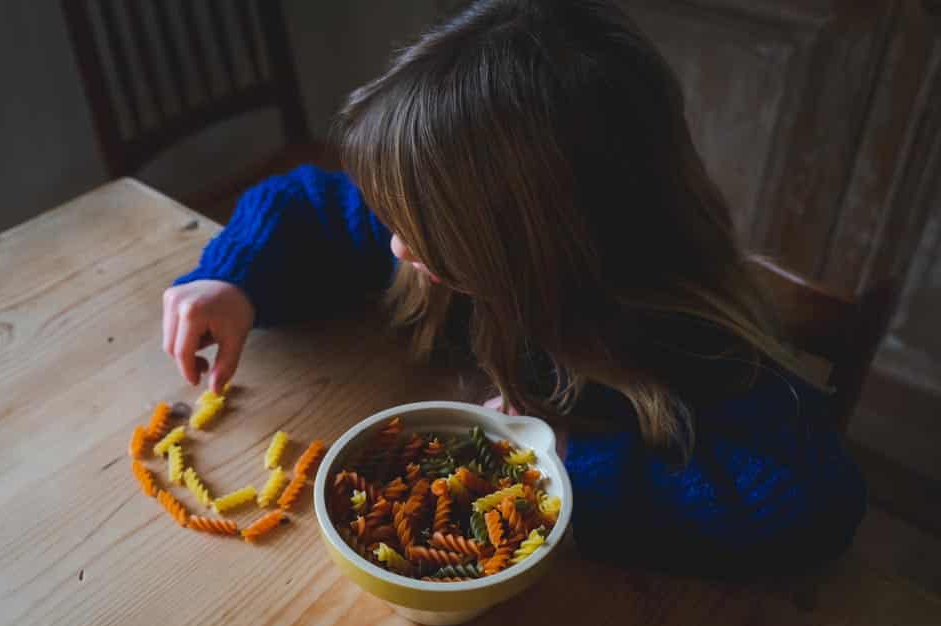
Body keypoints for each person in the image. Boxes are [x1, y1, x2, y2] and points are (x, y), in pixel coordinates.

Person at [162, 0, 866, 577]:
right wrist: (235, 275)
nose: (396, 244)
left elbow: (813, 501)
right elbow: (308, 203)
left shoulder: (685, 340)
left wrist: (570, 466)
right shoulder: (445, 258)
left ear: (526, 249)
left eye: (421, 229)